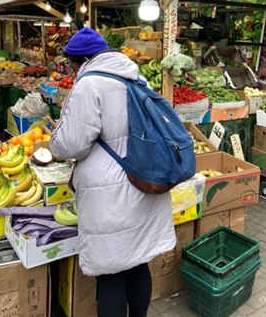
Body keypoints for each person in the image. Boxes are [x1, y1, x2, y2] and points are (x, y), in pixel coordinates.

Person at [50, 27, 176, 317]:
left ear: (82, 59)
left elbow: (71, 145)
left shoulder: (89, 85)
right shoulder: (136, 77)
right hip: (143, 181)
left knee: (110, 273)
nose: (69, 68)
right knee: (137, 262)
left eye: (70, 63)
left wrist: (55, 142)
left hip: (111, 194)